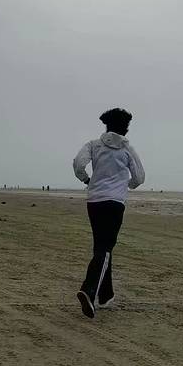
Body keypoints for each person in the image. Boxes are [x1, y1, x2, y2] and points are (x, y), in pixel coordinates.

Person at [73, 107, 145, 319]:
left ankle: (106, 296)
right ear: (126, 128)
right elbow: (139, 178)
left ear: (106, 125)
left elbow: (78, 164)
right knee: (105, 247)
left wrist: (87, 180)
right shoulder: (127, 149)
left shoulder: (94, 145)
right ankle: (89, 290)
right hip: (115, 203)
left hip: (94, 201)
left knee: (101, 246)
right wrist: (126, 184)